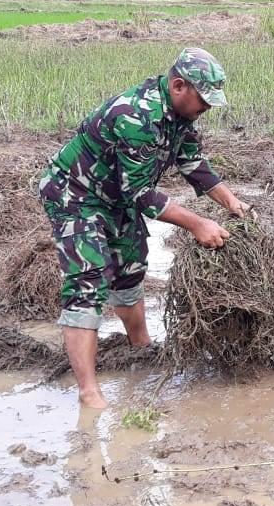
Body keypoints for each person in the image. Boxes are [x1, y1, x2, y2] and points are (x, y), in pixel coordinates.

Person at [38, 47, 250, 409]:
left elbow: (192, 162)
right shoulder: (136, 116)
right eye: (204, 100)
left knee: (131, 268)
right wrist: (196, 223)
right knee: (89, 281)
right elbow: (138, 192)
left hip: (116, 197)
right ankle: (89, 393)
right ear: (179, 85)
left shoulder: (180, 116)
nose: (207, 109)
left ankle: (142, 348)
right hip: (77, 196)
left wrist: (231, 202)